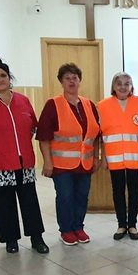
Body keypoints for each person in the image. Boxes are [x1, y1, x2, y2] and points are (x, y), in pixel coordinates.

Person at [0, 55, 49, 254]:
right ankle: (10, 239)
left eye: (3, 75)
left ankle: (37, 238)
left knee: (29, 202)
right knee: (2, 204)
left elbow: (32, 127)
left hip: (24, 161)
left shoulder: (23, 100)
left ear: (9, 77)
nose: (0, 80)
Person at [37, 63, 101, 246]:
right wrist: (47, 162)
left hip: (85, 163)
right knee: (65, 197)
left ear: (80, 81)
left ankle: (78, 227)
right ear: (61, 82)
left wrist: (96, 157)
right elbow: (44, 137)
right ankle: (66, 230)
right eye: (67, 78)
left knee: (82, 196)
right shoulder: (53, 105)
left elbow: (96, 135)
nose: (71, 81)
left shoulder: (89, 105)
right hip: (61, 165)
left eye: (75, 78)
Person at [98, 72, 138, 240]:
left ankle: (132, 225)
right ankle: (121, 225)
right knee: (118, 191)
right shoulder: (103, 106)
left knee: (134, 190)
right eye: (119, 83)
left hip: (135, 157)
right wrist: (103, 158)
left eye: (127, 83)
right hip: (114, 157)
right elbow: (102, 135)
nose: (123, 87)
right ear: (113, 86)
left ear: (131, 86)